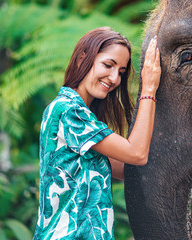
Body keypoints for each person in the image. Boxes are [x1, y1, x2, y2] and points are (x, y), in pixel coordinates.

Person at [33, 27, 161, 239]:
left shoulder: (83, 120)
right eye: (108, 65)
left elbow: (125, 170)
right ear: (83, 58)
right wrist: (149, 88)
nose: (113, 78)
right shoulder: (69, 111)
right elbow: (137, 153)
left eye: (120, 72)